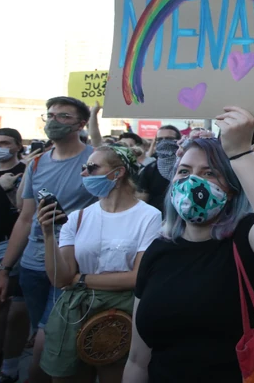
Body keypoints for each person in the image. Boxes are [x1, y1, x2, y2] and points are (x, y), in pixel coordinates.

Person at [122, 107, 254, 382]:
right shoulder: (158, 251)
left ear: (231, 188)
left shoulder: (246, 237)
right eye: (184, 171)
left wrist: (240, 153)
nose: (193, 181)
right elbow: (138, 359)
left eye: (209, 173)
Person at [0, 97, 97, 383]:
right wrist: (5, 269)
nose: (53, 121)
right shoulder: (37, 163)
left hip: (71, 264)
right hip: (32, 266)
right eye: (50, 115)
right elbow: (25, 219)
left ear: (81, 124)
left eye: (63, 116)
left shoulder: (94, 161)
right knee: (41, 330)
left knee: (47, 338)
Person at [37, 145, 161, 382]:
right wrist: (48, 234)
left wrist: (80, 279)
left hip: (120, 313)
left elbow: (137, 277)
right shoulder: (78, 217)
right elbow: (60, 279)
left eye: (92, 168)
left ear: (118, 173)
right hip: (75, 313)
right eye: (84, 167)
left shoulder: (149, 216)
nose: (84, 173)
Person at [0, 129, 30, 383]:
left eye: (4, 143)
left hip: (9, 245)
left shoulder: (26, 172)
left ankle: (4, 361)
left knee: (4, 304)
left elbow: (24, 211)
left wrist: (8, 191)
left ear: (17, 146)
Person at [136, 126, 181, 214]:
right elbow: (142, 199)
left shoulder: (188, 166)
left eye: (169, 138)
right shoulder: (150, 168)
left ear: (179, 140)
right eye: (160, 139)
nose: (164, 142)